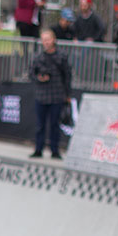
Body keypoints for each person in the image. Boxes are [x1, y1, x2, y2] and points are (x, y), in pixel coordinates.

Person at [28, 29, 71, 160]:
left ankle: (55, 150)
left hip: (57, 95)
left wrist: (67, 94)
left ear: (54, 40)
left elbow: (67, 76)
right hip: (41, 96)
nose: (46, 43)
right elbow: (31, 74)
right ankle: (38, 149)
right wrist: (39, 78)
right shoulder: (38, 57)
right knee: (40, 125)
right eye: (44, 40)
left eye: (48, 39)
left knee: (54, 125)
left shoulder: (62, 57)